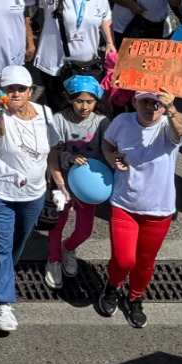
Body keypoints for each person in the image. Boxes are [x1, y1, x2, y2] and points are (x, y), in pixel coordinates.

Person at [0, 65, 55, 335]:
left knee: (17, 243)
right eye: (10, 89)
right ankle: (3, 302)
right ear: (3, 93)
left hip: (34, 194)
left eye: (21, 89)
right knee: (0, 246)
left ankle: (2, 273)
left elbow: (52, 150)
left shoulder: (45, 114)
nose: (16, 93)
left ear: (31, 91)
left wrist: (58, 181)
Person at [96, 90, 182, 328]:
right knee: (124, 260)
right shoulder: (122, 122)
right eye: (145, 101)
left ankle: (135, 297)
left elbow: (180, 133)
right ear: (134, 101)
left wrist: (172, 110)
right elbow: (107, 142)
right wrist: (110, 156)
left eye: (156, 103)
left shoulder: (168, 124)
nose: (151, 107)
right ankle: (113, 286)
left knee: (145, 261)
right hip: (124, 204)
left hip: (159, 211)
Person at [43, 74, 108, 289]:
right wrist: (68, 159)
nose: (84, 106)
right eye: (79, 101)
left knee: (85, 229)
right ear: (69, 98)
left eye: (89, 101)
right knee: (57, 224)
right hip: (62, 181)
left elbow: (107, 150)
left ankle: (68, 248)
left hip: (88, 185)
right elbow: (54, 150)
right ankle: (53, 259)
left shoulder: (101, 122)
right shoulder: (59, 119)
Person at [31, 0, 113, 107]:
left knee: (84, 110)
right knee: (59, 110)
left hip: (86, 67)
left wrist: (110, 42)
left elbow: (105, 17)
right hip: (55, 67)